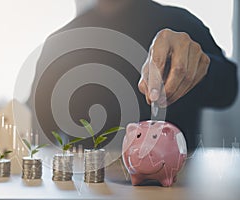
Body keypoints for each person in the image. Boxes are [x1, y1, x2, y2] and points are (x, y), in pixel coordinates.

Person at [31, 0, 237, 150]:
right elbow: (40, 121)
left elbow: (228, 89)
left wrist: (199, 68)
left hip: (174, 186)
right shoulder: (58, 44)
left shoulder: (182, 26)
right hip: (89, 184)